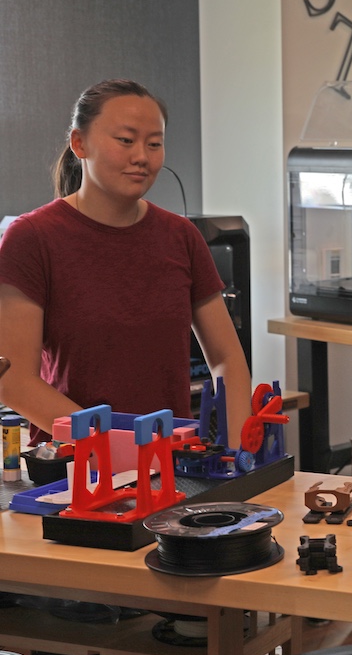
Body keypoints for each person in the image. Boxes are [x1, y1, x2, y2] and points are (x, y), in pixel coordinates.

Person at [0, 79, 252, 448]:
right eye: (126, 140)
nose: (142, 157)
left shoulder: (181, 236)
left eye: (154, 144)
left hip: (171, 467)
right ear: (79, 143)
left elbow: (227, 358)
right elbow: (14, 380)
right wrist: (120, 447)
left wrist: (235, 450)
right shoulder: (32, 238)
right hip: (74, 473)